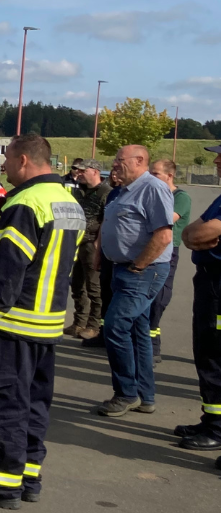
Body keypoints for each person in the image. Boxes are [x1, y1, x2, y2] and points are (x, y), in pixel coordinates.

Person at [0, 133, 81, 509]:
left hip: (11, 323)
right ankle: (27, 476)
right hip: (46, 322)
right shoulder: (68, 201)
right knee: (33, 403)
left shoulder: (26, 203)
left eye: (6, 159)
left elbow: (8, 268)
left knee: (2, 402)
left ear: (24, 160)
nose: (2, 166)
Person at [93, 145, 173, 417]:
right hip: (123, 269)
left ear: (139, 161)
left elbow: (163, 235)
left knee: (115, 327)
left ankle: (126, 393)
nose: (114, 164)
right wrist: (102, 255)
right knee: (138, 334)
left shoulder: (153, 188)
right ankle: (144, 396)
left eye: (120, 160)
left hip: (141, 272)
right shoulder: (125, 190)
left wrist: (138, 266)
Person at [177, 144, 221, 452]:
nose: (216, 161)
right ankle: (211, 420)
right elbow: (191, 233)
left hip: (218, 284)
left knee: (216, 354)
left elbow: (199, 234)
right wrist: (201, 237)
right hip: (209, 281)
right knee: (206, 350)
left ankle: (218, 428)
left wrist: (202, 236)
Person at [146, 158, 189, 365]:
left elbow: (166, 219)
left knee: (159, 298)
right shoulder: (152, 193)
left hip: (169, 251)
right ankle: (144, 344)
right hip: (150, 248)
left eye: (155, 174)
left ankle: (153, 347)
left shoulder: (180, 197)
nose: (151, 177)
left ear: (169, 176)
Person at [82, 171, 127, 350]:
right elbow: (105, 222)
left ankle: (120, 339)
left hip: (125, 256)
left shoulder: (142, 192)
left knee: (119, 299)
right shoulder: (115, 193)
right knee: (105, 293)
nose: (115, 174)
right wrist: (98, 249)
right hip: (107, 251)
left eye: (119, 169)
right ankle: (102, 333)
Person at [66, 160, 107, 341]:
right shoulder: (78, 191)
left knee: (94, 287)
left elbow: (106, 220)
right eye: (78, 171)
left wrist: (98, 244)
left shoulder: (105, 192)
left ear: (95, 172)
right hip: (77, 242)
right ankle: (79, 322)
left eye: (83, 171)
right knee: (77, 285)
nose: (79, 174)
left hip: (92, 243)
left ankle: (93, 325)